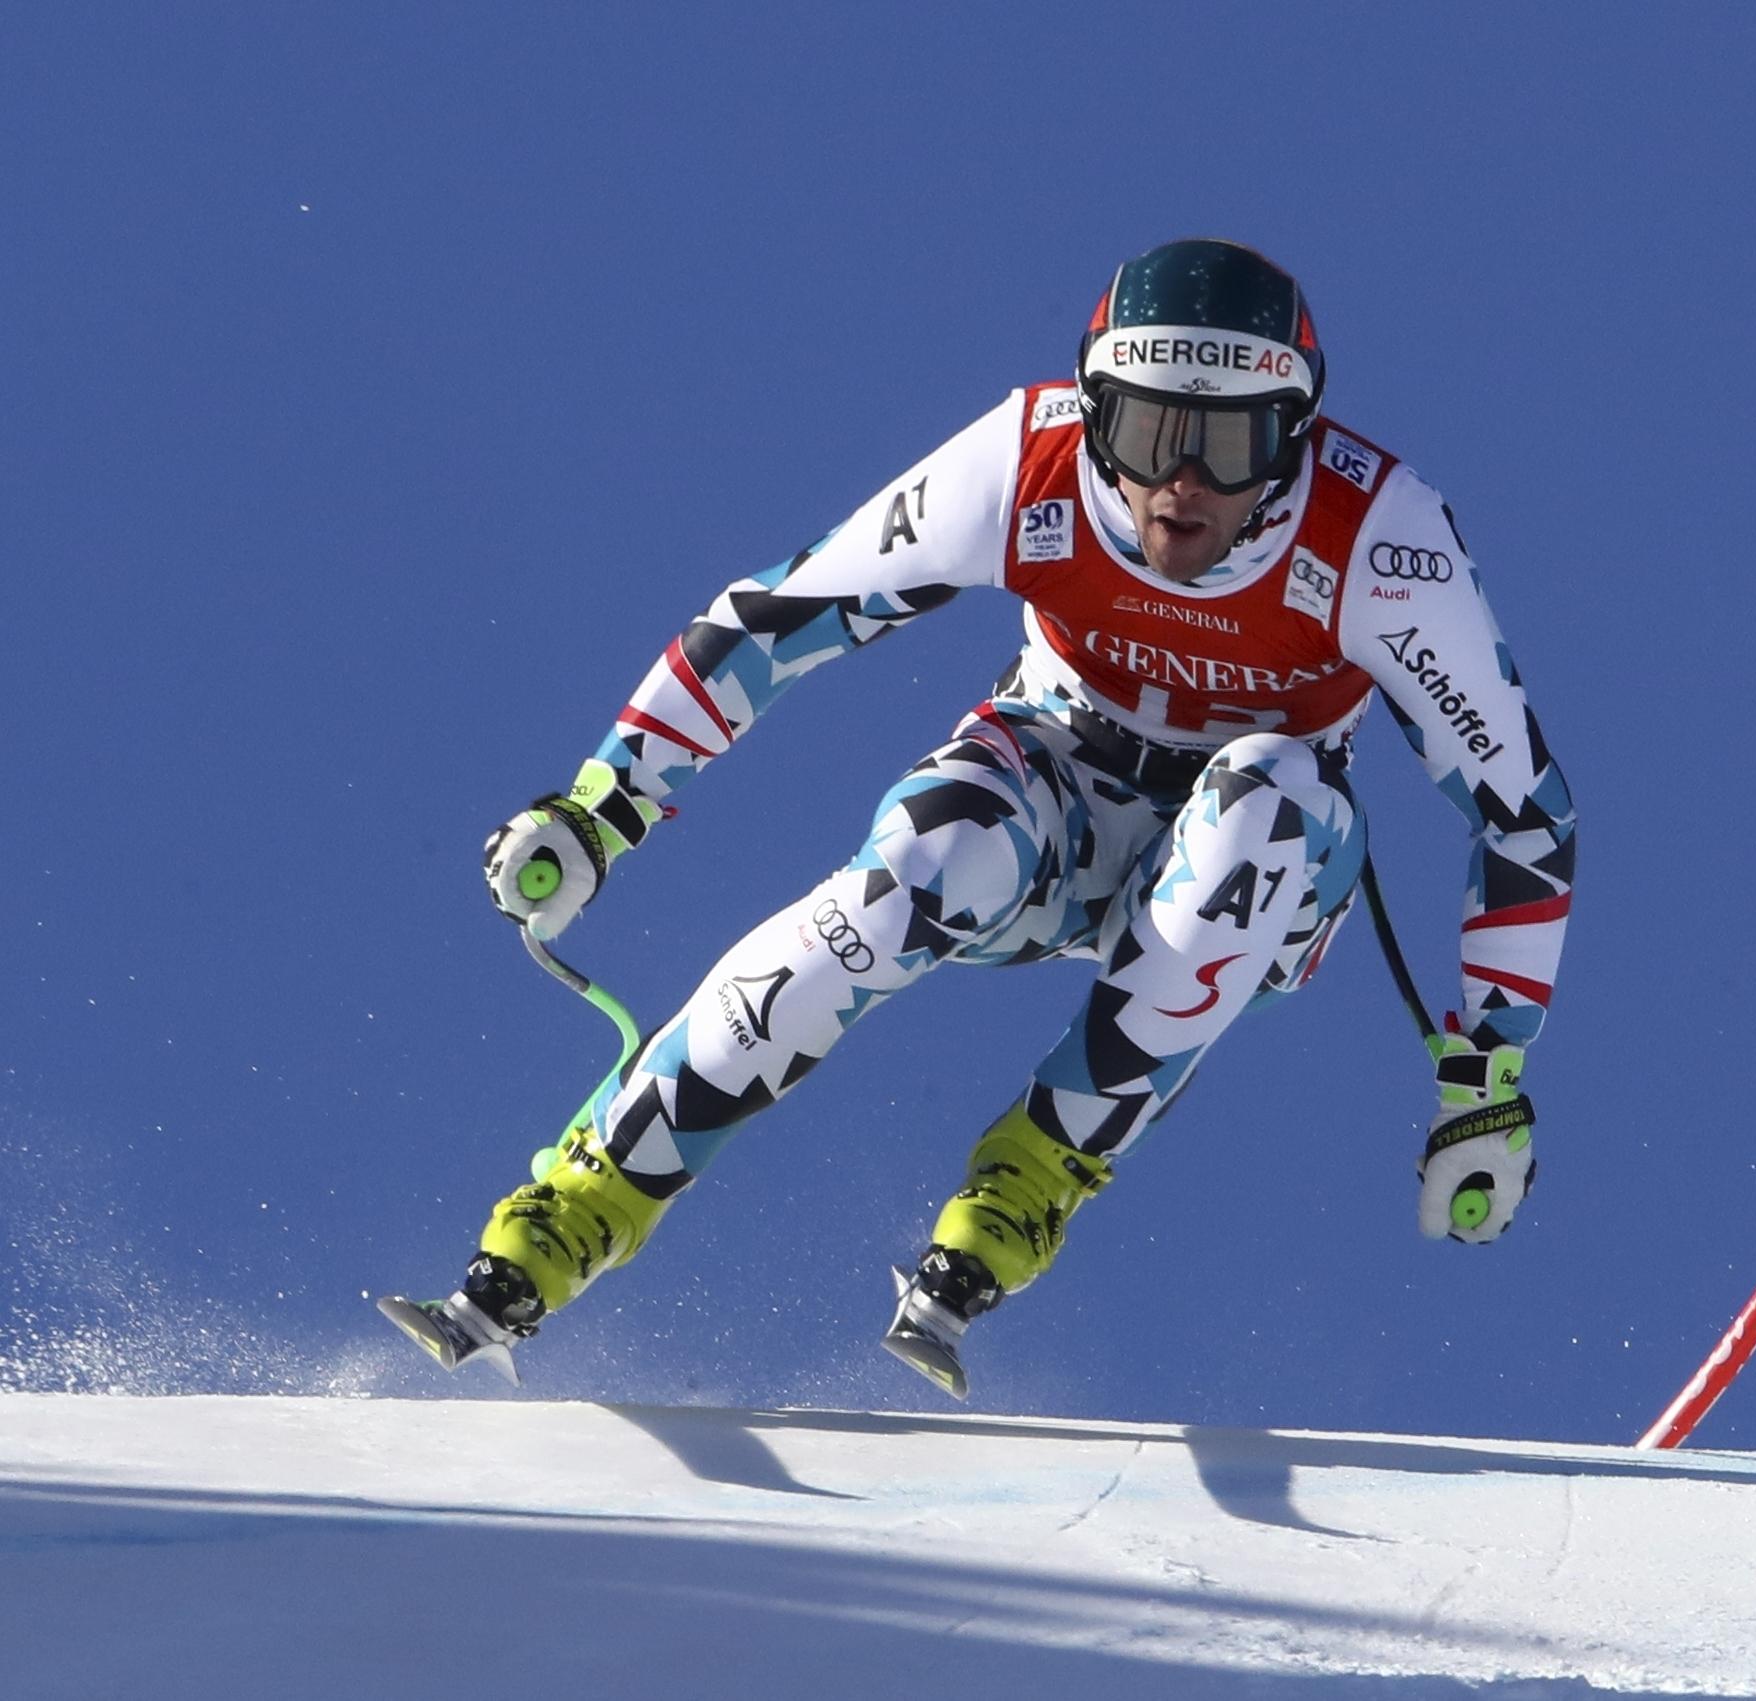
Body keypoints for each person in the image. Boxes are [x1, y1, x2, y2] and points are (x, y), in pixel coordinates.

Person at [380, 239, 1577, 1397]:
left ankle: (1029, 1183)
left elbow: (1522, 811)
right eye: (1149, 430)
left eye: (1230, 444)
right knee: (921, 864)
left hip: (1255, 855)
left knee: (1266, 800)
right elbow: (782, 617)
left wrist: (1486, 1076)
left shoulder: (1380, 542)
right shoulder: (1027, 461)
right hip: (1050, 781)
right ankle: (583, 1204)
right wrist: (606, 806)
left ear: (1295, 437)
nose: (1184, 485)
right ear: (1094, 409)